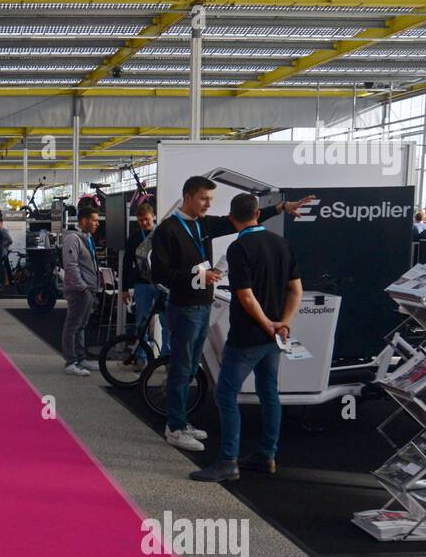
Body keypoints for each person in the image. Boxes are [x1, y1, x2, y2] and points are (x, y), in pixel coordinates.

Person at [151, 175, 313, 452]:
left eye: (210, 200)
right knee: (180, 367)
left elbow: (236, 220)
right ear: (187, 196)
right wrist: (198, 276)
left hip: (204, 304)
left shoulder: (202, 223)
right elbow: (159, 273)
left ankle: (181, 421)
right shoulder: (167, 229)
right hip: (185, 306)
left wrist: (282, 207)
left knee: (191, 367)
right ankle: (174, 427)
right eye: (203, 199)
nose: (207, 205)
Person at [191, 193, 302, 482]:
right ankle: (267, 455)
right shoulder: (282, 244)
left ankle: (228, 460)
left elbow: (245, 295)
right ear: (256, 213)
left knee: (226, 393)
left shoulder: (240, 248)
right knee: (269, 392)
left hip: (247, 335)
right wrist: (282, 324)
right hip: (274, 336)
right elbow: (296, 290)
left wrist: (266, 323)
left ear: (231, 218)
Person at [60, 203, 102, 376]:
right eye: (94, 220)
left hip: (88, 289)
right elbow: (70, 265)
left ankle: (80, 358)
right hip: (79, 291)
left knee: (81, 326)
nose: (97, 224)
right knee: (73, 325)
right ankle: (71, 361)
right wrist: (82, 287)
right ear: (84, 221)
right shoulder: (73, 238)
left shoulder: (87, 238)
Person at [122, 202, 164, 364]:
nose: (144, 223)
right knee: (141, 322)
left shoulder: (162, 233)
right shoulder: (134, 238)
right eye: (140, 221)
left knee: (167, 323)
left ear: (153, 217)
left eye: (146, 219)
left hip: (162, 285)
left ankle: (165, 359)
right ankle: (141, 358)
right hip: (142, 285)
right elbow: (126, 264)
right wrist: (124, 289)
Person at [0, 219, 13, 293]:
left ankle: (0, 286)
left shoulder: (2, 231)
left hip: (1, 253)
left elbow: (10, 240)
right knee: (1, 269)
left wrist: (1, 246)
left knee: (0, 269)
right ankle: (1, 285)